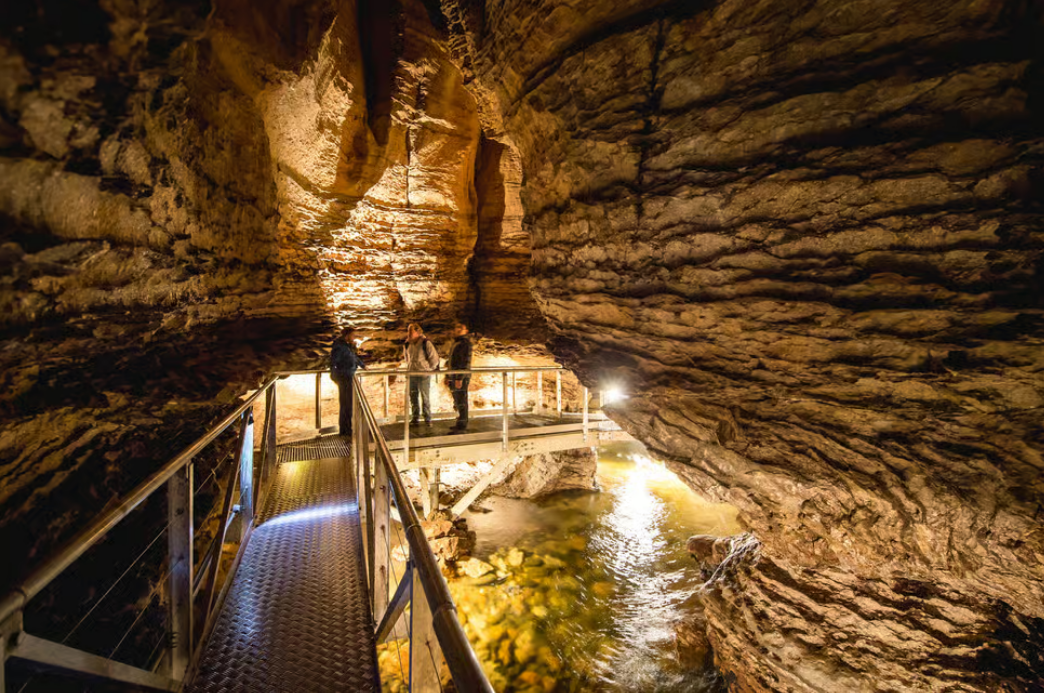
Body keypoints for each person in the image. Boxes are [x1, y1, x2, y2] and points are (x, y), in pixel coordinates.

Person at [330, 326, 365, 436]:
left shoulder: (347, 346)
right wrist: (336, 375)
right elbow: (334, 361)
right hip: (344, 377)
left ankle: (347, 428)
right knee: (346, 404)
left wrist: (363, 365)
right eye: (353, 335)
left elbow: (353, 357)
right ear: (347, 335)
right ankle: (345, 429)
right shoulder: (339, 347)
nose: (354, 337)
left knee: (349, 403)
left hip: (349, 376)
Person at [403, 323, 439, 426]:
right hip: (412, 373)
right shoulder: (407, 344)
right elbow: (407, 358)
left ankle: (427, 418)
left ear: (418, 332)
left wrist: (428, 369)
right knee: (413, 396)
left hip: (423, 375)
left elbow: (434, 358)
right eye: (408, 331)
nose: (409, 334)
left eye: (411, 331)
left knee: (425, 396)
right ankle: (415, 418)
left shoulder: (425, 343)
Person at [446, 321, 472, 432]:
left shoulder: (465, 344)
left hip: (460, 376)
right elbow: (453, 360)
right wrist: (448, 376)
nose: (458, 330)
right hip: (454, 375)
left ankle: (462, 424)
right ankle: (460, 422)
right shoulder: (457, 343)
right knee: (458, 399)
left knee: (461, 399)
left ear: (466, 331)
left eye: (461, 329)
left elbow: (464, 361)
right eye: (457, 328)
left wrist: (459, 378)